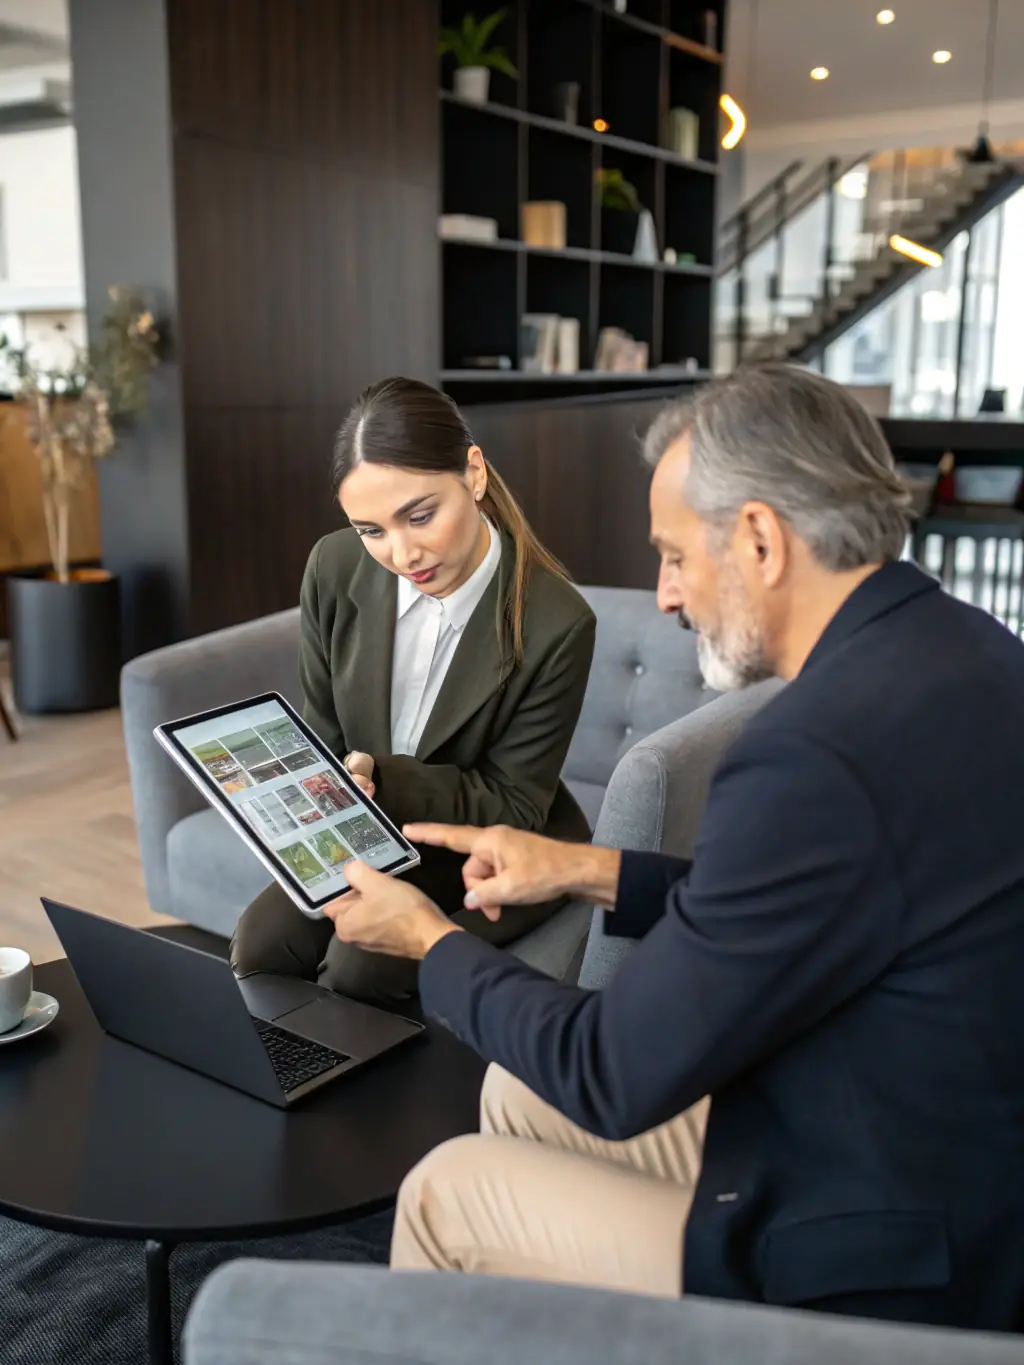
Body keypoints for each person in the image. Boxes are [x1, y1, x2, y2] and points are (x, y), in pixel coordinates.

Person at [322, 364, 1024, 1332]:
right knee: (517, 1092)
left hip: (890, 1246)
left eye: (673, 557)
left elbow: (611, 1072)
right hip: (929, 1131)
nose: (660, 595)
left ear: (761, 540)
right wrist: (584, 868)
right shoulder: (970, 647)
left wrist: (428, 940)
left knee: (447, 1190)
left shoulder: (807, 752)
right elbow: (822, 895)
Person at [230, 376, 595, 1006]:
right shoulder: (334, 567)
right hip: (366, 827)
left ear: (473, 474)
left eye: (420, 515)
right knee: (260, 943)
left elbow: (512, 804)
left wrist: (380, 782)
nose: (401, 553)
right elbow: (323, 734)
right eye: (371, 530)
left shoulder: (557, 623)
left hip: (488, 841)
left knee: (362, 967)